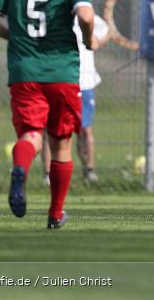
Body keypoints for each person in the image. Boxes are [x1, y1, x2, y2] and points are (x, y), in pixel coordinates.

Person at [0, 0, 94, 229]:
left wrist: (12, 35)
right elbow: (85, 15)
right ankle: (55, 214)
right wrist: (88, 39)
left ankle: (20, 170)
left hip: (24, 72)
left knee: (31, 135)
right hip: (62, 73)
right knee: (61, 144)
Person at [41, 15, 110, 184]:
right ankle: (48, 174)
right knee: (51, 129)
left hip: (84, 83)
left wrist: (95, 42)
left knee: (85, 130)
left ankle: (89, 170)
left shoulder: (86, 15)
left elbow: (106, 31)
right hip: (58, 81)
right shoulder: (52, 14)